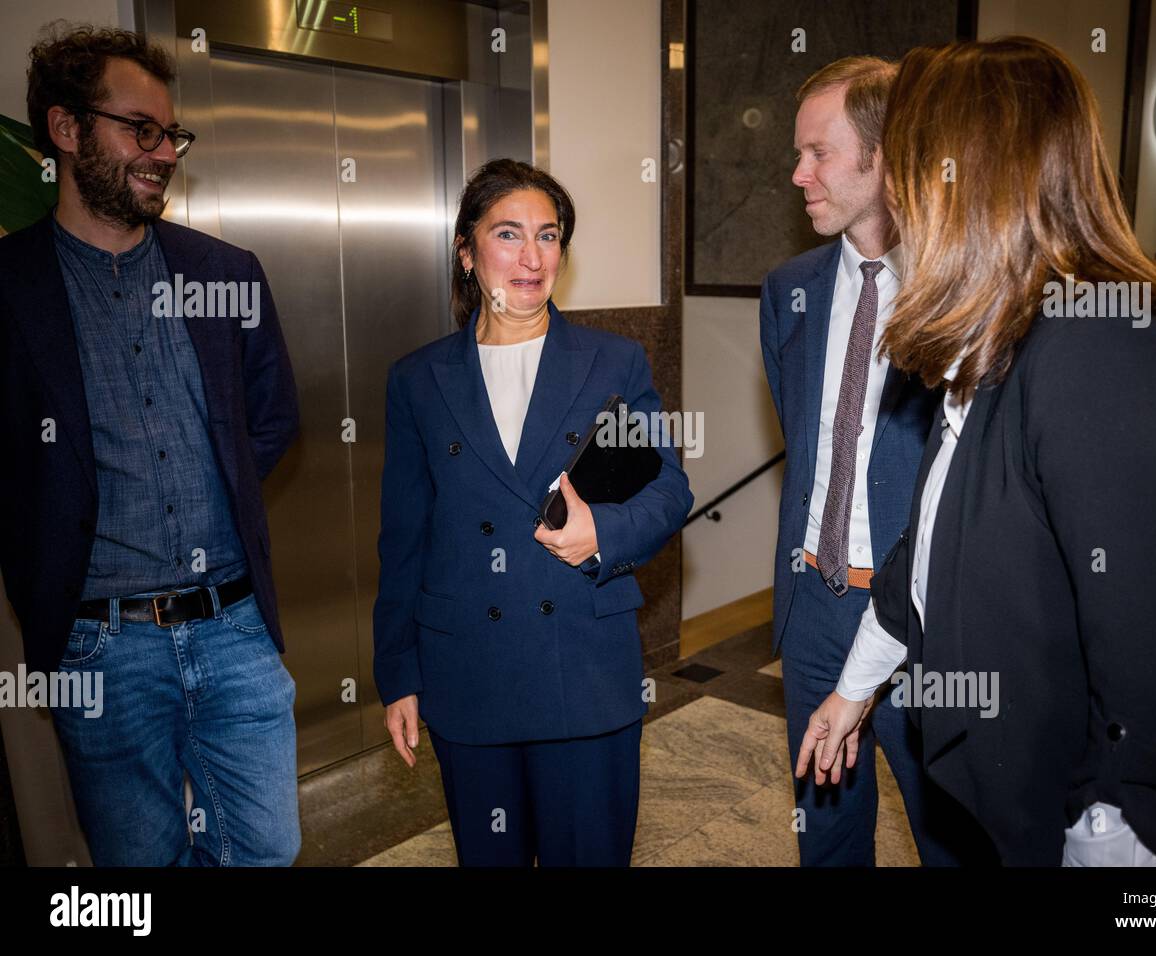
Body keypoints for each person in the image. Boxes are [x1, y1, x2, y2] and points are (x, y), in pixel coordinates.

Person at [797, 36, 1156, 866]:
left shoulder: (1104, 353)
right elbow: (926, 550)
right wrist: (854, 690)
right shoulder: (999, 336)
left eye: (910, 167)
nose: (895, 194)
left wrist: (1100, 845)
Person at [0, 25, 301, 865]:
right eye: (141, 129)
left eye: (172, 135)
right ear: (65, 130)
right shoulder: (10, 287)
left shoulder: (224, 271)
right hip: (102, 646)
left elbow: (272, 421)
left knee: (266, 849)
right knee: (139, 861)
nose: (163, 151)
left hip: (235, 626)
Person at [373, 158, 693, 866]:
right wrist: (398, 673)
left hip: (581, 666)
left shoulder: (611, 362)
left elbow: (670, 491)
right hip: (468, 672)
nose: (530, 257)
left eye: (548, 237)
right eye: (508, 234)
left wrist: (600, 534)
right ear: (466, 251)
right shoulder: (419, 379)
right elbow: (403, 538)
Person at [759, 56, 976, 866]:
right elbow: (811, 446)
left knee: (950, 839)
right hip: (813, 609)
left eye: (818, 152)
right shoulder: (791, 289)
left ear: (886, 155)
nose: (797, 173)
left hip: (925, 620)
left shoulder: (961, 289)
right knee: (827, 838)